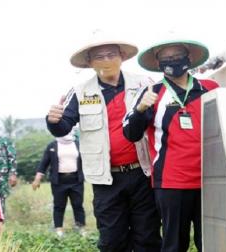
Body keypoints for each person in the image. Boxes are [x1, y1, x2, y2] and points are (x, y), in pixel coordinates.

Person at [46, 37, 162, 251]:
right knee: (111, 240)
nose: (106, 60)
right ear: (90, 62)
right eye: (99, 56)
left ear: (122, 57)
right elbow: (63, 126)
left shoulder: (145, 83)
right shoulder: (80, 91)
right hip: (106, 179)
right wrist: (53, 121)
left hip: (143, 174)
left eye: (112, 54)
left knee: (148, 236)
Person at [123, 40, 218, 252]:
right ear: (157, 62)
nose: (173, 60)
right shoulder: (151, 93)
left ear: (189, 57)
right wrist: (140, 109)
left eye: (178, 55)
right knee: (174, 243)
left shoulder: (210, 88)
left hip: (211, 180)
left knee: (211, 241)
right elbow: (130, 133)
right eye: (166, 57)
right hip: (171, 182)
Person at [32, 131, 85, 237]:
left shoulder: (78, 144)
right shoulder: (52, 145)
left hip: (76, 180)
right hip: (59, 181)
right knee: (59, 206)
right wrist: (37, 178)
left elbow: (87, 159)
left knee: (78, 205)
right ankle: (59, 229)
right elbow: (44, 163)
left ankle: (80, 228)